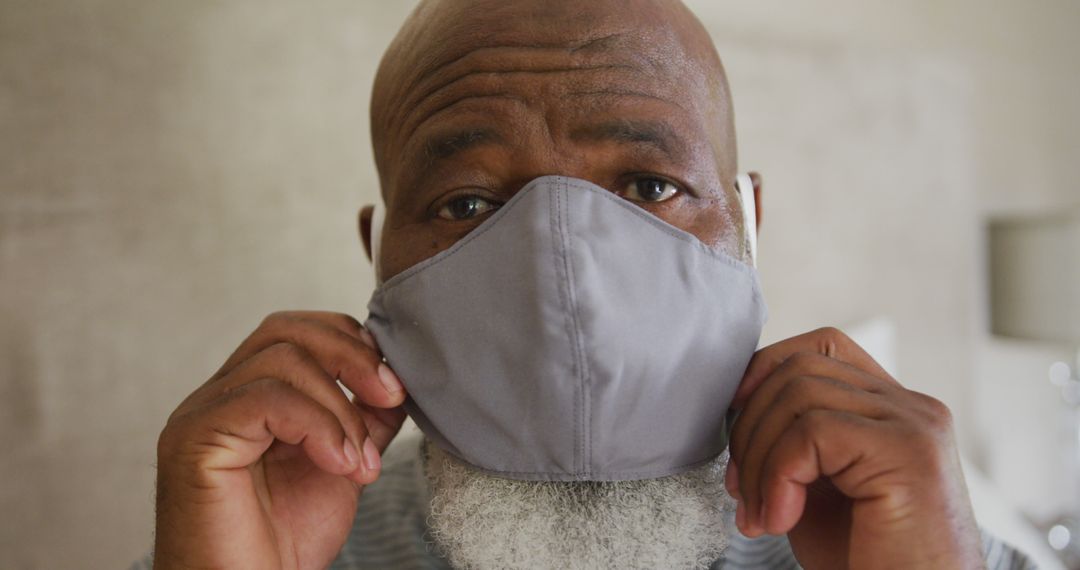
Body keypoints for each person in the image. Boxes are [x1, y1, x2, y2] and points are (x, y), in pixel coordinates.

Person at [137, 0, 1037, 568]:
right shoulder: (250, 533)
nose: (561, 277)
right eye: (465, 202)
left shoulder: (907, 533)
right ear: (377, 254)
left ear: (749, 224)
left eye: (649, 188)